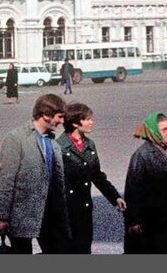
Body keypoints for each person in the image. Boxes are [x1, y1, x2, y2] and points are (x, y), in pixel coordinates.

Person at [0, 93, 72, 254]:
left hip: (50, 216)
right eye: (59, 117)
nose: (62, 122)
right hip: (20, 217)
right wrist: (2, 217)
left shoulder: (52, 141)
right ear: (46, 114)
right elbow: (5, 181)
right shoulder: (16, 139)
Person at [57, 102, 126, 253]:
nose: (91, 122)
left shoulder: (89, 145)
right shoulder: (59, 147)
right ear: (75, 123)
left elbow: (96, 175)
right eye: (87, 119)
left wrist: (114, 197)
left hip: (84, 210)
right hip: (65, 213)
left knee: (84, 249)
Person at [123, 112, 167, 253]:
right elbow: (132, 189)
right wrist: (133, 220)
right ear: (153, 132)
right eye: (164, 130)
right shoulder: (142, 155)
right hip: (152, 221)